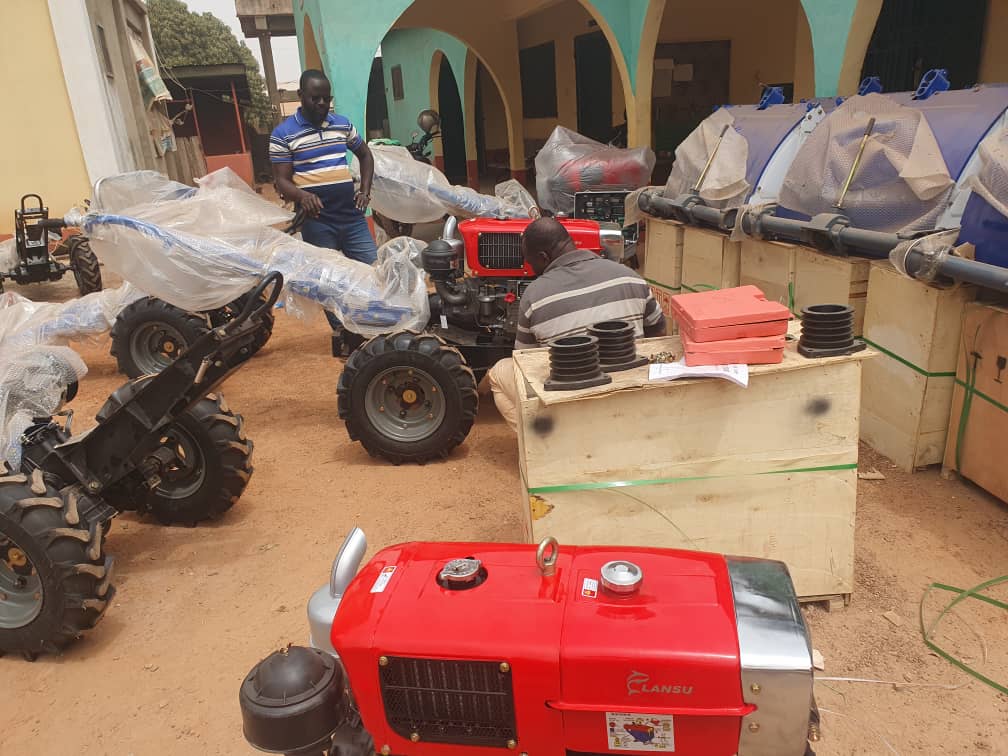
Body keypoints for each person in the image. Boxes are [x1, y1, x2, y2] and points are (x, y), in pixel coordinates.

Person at [487, 217, 667, 431]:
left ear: (544, 257)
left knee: (499, 372)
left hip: (572, 407)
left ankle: (543, 443)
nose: (531, 268)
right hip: (633, 397)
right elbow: (658, 334)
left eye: (531, 262)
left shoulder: (533, 296)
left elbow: (525, 363)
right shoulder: (631, 277)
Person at [270, 69, 376, 330]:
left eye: (326, 99)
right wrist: (302, 195)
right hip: (317, 222)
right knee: (327, 282)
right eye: (315, 98)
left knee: (372, 273)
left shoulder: (342, 124)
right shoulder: (283, 134)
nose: (321, 104)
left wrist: (365, 190)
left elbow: (365, 155)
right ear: (300, 95)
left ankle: (372, 327)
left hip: (352, 218)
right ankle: (343, 334)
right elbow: (281, 181)